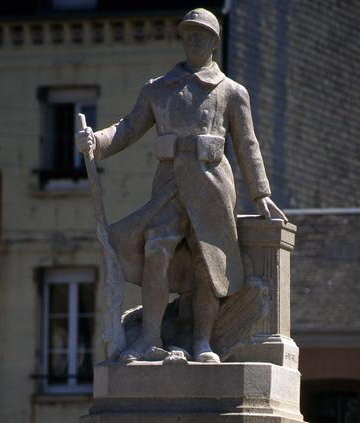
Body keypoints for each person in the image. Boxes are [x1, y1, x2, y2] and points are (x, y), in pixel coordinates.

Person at [76, 8, 286, 363]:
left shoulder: (232, 92)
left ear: (214, 42)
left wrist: (261, 193)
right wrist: (95, 141)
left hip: (212, 186)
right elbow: (127, 128)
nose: (192, 40)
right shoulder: (158, 89)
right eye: (188, 34)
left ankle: (203, 342)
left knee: (209, 261)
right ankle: (149, 339)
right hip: (169, 187)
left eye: (200, 35)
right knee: (157, 250)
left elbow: (248, 145)